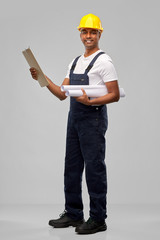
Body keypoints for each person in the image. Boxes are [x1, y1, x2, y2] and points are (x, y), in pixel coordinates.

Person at [30, 13, 120, 234]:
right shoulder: (75, 62)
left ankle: (98, 218)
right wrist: (41, 77)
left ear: (99, 34)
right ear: (79, 34)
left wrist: (91, 101)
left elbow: (115, 94)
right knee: (71, 167)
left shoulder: (104, 62)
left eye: (92, 32)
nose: (88, 35)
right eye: (84, 31)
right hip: (75, 118)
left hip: (93, 118)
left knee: (94, 168)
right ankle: (73, 213)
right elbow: (62, 94)